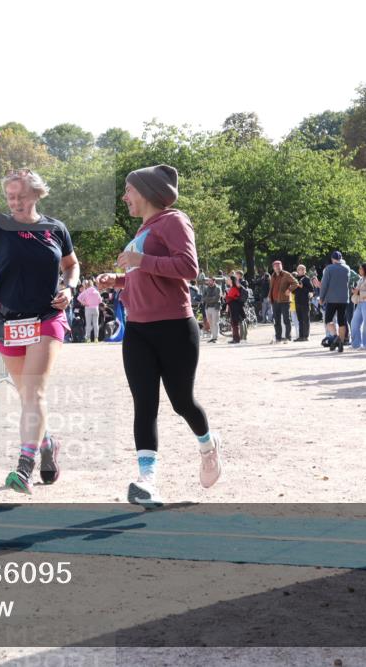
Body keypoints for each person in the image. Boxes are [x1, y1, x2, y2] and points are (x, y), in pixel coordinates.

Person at [0, 137, 79, 495]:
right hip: (8, 321)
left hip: (46, 317)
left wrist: (70, 287)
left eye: (20, 196)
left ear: (36, 194)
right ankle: (46, 443)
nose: (14, 202)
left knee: (34, 391)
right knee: (26, 394)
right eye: (10, 197)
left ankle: (23, 467)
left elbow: (71, 265)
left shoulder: (56, 229)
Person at [95, 164, 221, 507]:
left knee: (182, 402)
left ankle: (207, 447)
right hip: (138, 329)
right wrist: (117, 280)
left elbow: (188, 268)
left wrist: (141, 258)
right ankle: (147, 481)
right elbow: (144, 275)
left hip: (175, 327)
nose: (124, 197)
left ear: (147, 191)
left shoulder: (174, 221)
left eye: (128, 190)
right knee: (144, 405)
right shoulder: (143, 229)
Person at [319, 251, 351, 353]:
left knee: (328, 320)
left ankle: (335, 336)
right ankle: (340, 342)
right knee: (342, 321)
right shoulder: (347, 268)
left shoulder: (328, 268)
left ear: (332, 259)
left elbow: (324, 285)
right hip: (344, 299)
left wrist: (321, 297)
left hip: (332, 298)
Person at [269, 260, 298, 342]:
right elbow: (271, 288)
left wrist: (289, 290)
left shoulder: (286, 274)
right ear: (273, 268)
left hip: (284, 301)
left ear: (281, 266)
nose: (277, 268)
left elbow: (295, 283)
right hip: (274, 301)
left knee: (286, 319)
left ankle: (288, 337)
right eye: (275, 266)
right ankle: (278, 337)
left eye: (279, 266)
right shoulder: (273, 275)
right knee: (276, 320)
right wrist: (269, 297)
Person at [350, 263, 366, 350]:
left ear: (365, 269)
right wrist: (355, 291)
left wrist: (358, 291)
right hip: (359, 303)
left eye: (361, 268)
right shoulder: (360, 279)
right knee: (354, 323)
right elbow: (360, 290)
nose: (359, 270)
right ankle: (356, 344)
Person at [294, 265, 314, 341]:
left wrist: (302, 287)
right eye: (299, 269)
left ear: (305, 270)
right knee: (300, 320)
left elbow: (311, 290)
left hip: (305, 302)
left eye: (302, 269)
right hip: (297, 301)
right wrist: (295, 287)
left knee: (306, 319)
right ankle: (301, 336)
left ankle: (306, 336)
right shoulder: (295, 279)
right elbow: (293, 291)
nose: (301, 271)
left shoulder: (307, 279)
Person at [200, 276, 222, 343]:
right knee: (210, 322)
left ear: (214, 281)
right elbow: (203, 298)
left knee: (215, 322)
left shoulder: (218, 288)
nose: (209, 282)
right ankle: (213, 336)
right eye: (208, 281)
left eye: (210, 281)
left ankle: (215, 337)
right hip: (207, 308)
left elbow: (217, 298)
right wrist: (210, 298)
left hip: (215, 307)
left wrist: (208, 299)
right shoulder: (206, 288)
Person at [225, 275, 245, 344]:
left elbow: (229, 298)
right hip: (233, 307)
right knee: (234, 323)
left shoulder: (233, 288)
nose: (227, 280)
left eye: (228, 279)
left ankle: (236, 339)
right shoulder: (232, 288)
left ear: (231, 281)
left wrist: (226, 297)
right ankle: (235, 338)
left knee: (235, 324)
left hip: (235, 308)